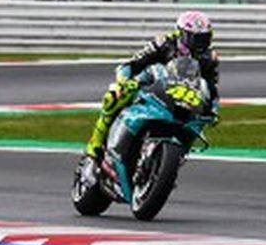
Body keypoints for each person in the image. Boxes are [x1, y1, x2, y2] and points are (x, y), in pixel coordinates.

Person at [85, 10, 220, 159]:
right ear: (181, 33)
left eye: (204, 39)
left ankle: (177, 155)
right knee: (114, 96)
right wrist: (125, 81)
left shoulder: (209, 57)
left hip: (183, 96)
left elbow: (210, 86)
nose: (199, 44)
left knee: (198, 121)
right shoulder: (164, 43)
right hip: (151, 85)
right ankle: (95, 145)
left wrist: (213, 109)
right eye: (195, 39)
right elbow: (131, 64)